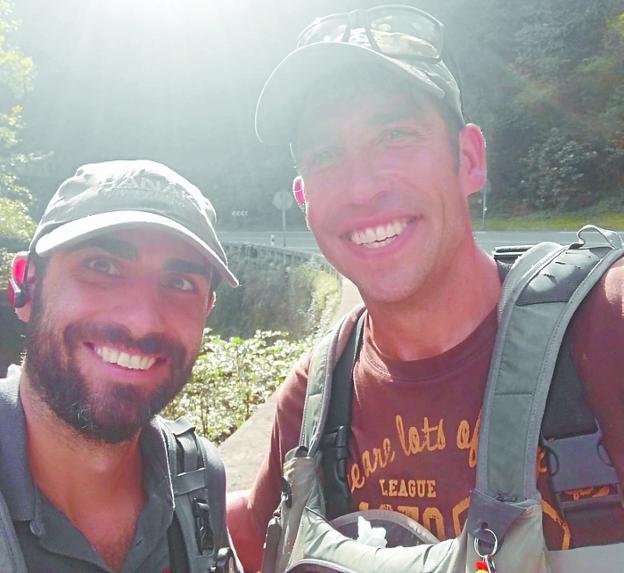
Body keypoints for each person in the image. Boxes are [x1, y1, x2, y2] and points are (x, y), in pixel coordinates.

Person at [227, 5, 624, 571]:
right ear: (304, 198)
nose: (363, 187)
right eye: (326, 155)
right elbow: (248, 531)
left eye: (395, 136)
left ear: (468, 159)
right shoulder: (316, 399)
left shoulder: (606, 328)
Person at [1, 160, 240, 572]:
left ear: (207, 309)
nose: (141, 320)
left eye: (180, 283)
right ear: (25, 285)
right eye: (102, 266)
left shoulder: (197, 480)